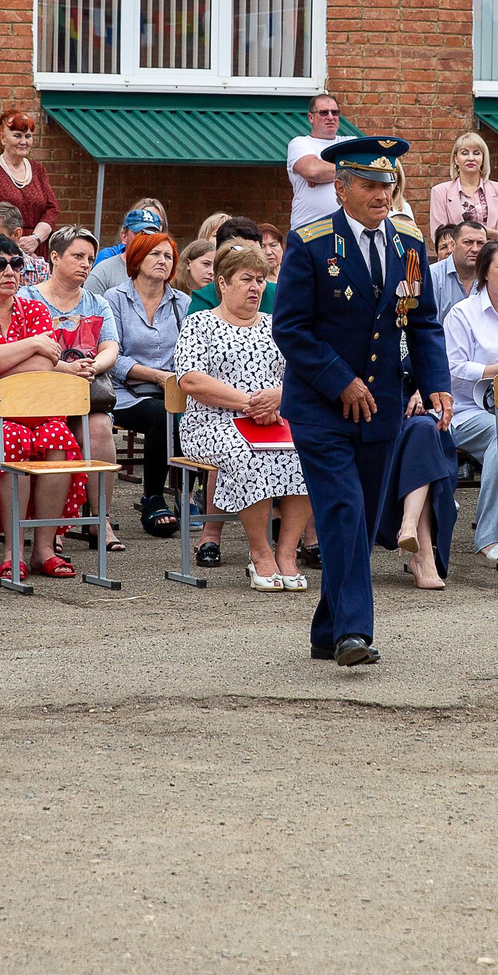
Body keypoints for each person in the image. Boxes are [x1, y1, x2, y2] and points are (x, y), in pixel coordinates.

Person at [273, 137, 458, 667]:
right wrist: (341, 381)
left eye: (388, 185)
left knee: (358, 518)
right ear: (342, 187)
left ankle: (326, 629)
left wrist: (436, 381)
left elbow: (422, 321)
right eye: (372, 185)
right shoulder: (310, 243)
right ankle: (354, 632)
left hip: (382, 405)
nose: (382, 195)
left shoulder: (408, 243)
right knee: (345, 510)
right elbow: (290, 328)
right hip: (321, 406)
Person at [0, 232, 88, 579]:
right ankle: (14, 550)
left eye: (16, 264)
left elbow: (43, 365)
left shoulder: (34, 309)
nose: (10, 271)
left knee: (60, 439)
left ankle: (44, 549)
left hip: (34, 409)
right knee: (12, 439)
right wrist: (31, 345)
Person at [175, 243, 318, 590]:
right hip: (211, 424)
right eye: (246, 279)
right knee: (247, 455)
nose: (256, 287)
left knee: (310, 451)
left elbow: (303, 375)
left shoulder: (275, 326)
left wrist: (278, 398)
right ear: (223, 283)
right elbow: (190, 379)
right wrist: (250, 404)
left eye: (260, 280)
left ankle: (287, 554)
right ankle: (261, 554)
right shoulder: (199, 324)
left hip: (274, 423)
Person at [441, 237, 498, 569]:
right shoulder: (463, 314)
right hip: (466, 410)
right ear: (485, 272)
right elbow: (452, 369)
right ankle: (490, 536)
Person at [107, 230, 190, 541]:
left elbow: (191, 351)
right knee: (163, 415)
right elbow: (112, 355)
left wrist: (175, 380)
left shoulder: (183, 302)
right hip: (124, 391)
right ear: (137, 259)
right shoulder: (114, 299)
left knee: (189, 414)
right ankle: (153, 498)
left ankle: (189, 496)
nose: (163, 261)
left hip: (174, 390)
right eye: (155, 254)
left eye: (168, 256)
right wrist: (155, 376)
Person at [20, 226, 120, 473]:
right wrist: (66, 368)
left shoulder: (98, 303)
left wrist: (92, 366)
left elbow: (110, 347)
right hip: (37, 396)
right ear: (55, 257)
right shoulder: (27, 298)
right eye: (78, 256)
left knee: (100, 427)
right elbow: (21, 351)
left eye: (90, 259)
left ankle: (101, 500)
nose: (86, 264)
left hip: (86, 395)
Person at [0, 110, 58, 252]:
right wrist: (15, 244)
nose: (24, 141)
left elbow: (52, 209)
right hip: (2, 248)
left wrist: (35, 238)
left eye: (28, 136)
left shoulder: (38, 169)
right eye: (17, 135)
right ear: (3, 139)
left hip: (38, 247)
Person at [429, 130, 498, 234]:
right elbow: (439, 236)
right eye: (464, 153)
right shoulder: (440, 192)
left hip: (495, 245)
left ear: (483, 159)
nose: (471, 158)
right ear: (456, 159)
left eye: (476, 153)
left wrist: (487, 233)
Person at [285, 94, 345, 231]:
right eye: (323, 112)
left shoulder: (349, 142)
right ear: (311, 117)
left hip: (344, 230)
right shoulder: (300, 143)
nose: (330, 117)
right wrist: (352, 170)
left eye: (335, 112)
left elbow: (371, 167)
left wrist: (326, 174)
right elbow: (313, 171)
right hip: (308, 228)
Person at [84, 205, 166, 300]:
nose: (145, 240)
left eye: (151, 236)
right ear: (124, 236)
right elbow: (88, 307)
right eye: (139, 234)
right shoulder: (103, 272)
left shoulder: (163, 270)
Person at [428, 221, 484, 319]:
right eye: (468, 242)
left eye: (480, 243)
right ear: (454, 245)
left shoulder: (492, 276)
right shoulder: (432, 275)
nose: (475, 249)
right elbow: (428, 321)